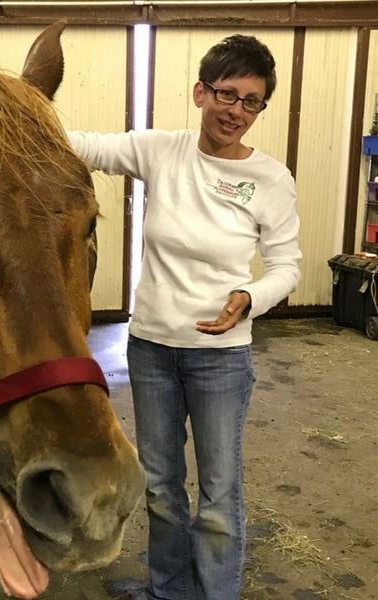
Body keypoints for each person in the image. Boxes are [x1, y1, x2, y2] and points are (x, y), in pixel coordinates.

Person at [67, 35, 301, 600]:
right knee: (160, 487)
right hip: (150, 351)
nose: (236, 111)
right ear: (201, 92)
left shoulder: (271, 180)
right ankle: (168, 590)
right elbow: (81, 146)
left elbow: (286, 266)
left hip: (221, 362)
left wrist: (248, 296)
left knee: (220, 494)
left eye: (252, 102)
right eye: (227, 94)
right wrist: (1, 110)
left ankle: (216, 594)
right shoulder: (161, 150)